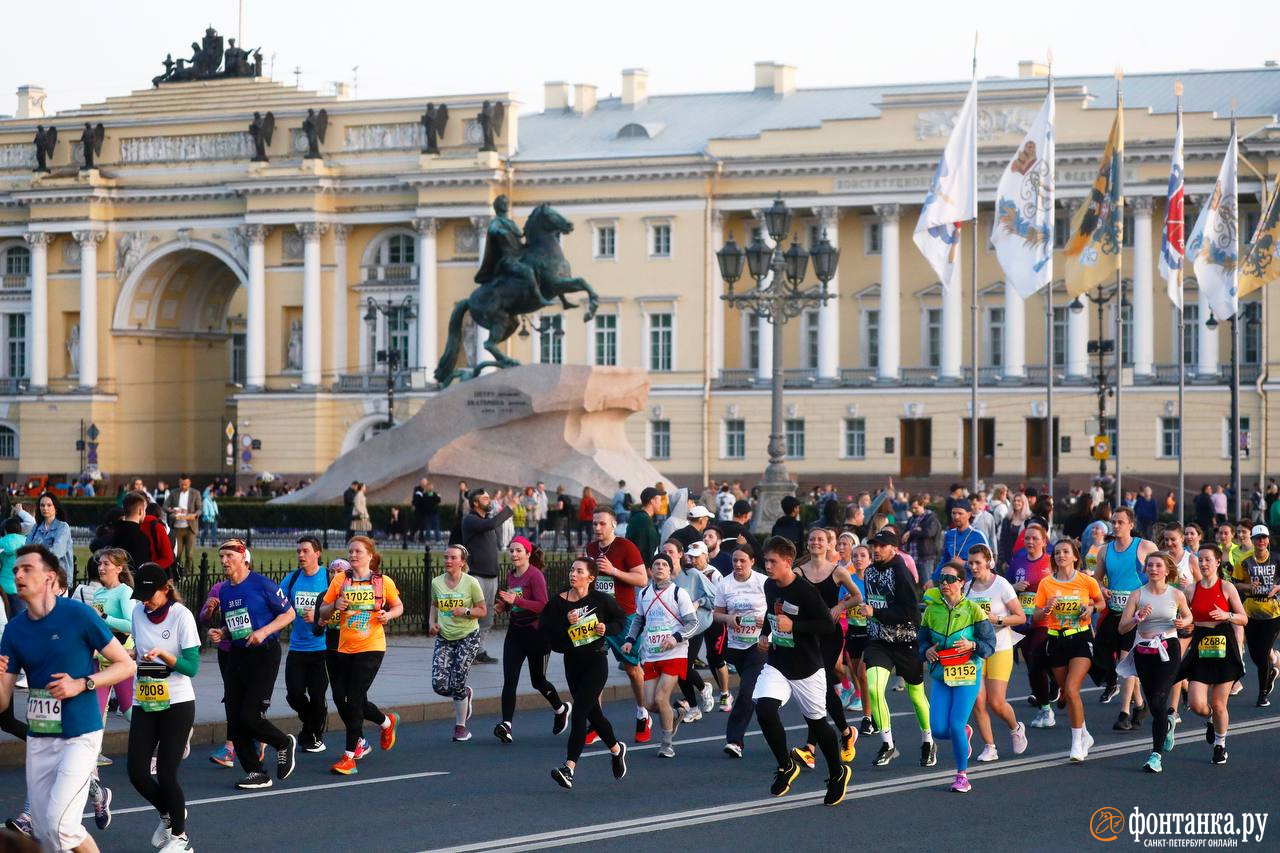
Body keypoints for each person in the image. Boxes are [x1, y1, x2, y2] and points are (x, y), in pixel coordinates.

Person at [0, 544, 135, 853]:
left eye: (27, 569)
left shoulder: (78, 615)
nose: (18, 573)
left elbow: (125, 664)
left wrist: (82, 683)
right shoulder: (15, 630)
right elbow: (2, 704)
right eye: (16, 569)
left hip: (80, 733)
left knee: (60, 825)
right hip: (41, 737)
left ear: (50, 578)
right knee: (46, 830)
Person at [752, 536, 850, 807]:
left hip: (807, 668)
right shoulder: (770, 586)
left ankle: (837, 771)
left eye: (773, 561)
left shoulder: (805, 591)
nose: (767, 566)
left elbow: (826, 626)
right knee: (764, 709)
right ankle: (786, 766)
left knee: (818, 724)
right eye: (766, 560)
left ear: (787, 562)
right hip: (778, 663)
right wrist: (764, 635)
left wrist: (793, 626)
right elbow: (774, 617)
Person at [205, 539, 297, 790]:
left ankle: (282, 743)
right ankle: (256, 773)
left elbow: (289, 614)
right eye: (221, 556)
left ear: (243, 557)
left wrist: (264, 632)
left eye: (229, 556)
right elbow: (234, 624)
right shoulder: (224, 590)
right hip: (237, 654)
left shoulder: (262, 584)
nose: (224, 561)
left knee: (249, 715)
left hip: (264, 654)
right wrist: (222, 633)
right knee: (234, 719)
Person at [539, 556, 629, 789]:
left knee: (579, 714)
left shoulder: (600, 600)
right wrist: (565, 623)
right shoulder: (558, 603)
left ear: (590, 577)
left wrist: (606, 628)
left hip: (596, 662)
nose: (573, 574)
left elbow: (621, 620)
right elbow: (547, 636)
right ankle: (617, 749)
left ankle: (568, 769)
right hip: (573, 664)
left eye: (579, 571)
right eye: (572, 570)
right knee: (594, 715)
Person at [127, 563, 199, 852]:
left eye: (150, 594)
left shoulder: (182, 616)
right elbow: (136, 648)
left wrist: (166, 657)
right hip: (144, 699)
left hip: (177, 702)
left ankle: (181, 838)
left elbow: (192, 667)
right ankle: (170, 813)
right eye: (141, 594)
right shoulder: (136, 612)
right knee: (137, 773)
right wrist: (122, 654)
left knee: (167, 774)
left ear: (166, 589)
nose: (145, 600)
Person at [317, 535, 403, 771]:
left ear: (370, 556)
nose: (353, 555)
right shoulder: (340, 581)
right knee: (348, 700)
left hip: (372, 646)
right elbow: (322, 613)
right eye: (350, 551)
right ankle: (387, 722)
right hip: (345, 647)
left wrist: (388, 615)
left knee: (353, 700)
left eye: (358, 551)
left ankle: (349, 757)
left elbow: (398, 606)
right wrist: (335, 606)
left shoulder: (383, 581)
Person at [919, 563, 996, 792]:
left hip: (967, 673)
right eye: (942, 579)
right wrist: (926, 651)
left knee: (955, 724)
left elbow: (989, 645)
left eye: (950, 579)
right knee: (939, 729)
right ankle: (964, 733)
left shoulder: (973, 610)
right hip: (942, 673)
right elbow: (921, 641)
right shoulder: (931, 610)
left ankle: (962, 775)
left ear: (962, 583)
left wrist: (972, 644)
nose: (944, 583)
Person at [860, 528, 931, 768]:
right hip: (879, 641)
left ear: (894, 549)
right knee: (873, 688)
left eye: (881, 546)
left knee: (916, 695)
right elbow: (874, 603)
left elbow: (910, 613)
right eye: (874, 546)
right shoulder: (869, 572)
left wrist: (876, 612)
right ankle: (888, 744)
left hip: (906, 641)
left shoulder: (900, 571)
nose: (876, 550)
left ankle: (928, 740)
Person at [1118, 552, 1193, 773]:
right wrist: (1136, 618)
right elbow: (1122, 628)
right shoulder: (1137, 595)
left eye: (1158, 565)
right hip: (1143, 650)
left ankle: (1155, 755)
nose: (1153, 569)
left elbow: (1189, 617)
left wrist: (1182, 621)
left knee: (1160, 700)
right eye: (1149, 565)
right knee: (1153, 703)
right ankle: (1168, 722)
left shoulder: (1176, 594)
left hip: (1168, 649)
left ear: (1167, 570)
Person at [791, 528, 859, 770]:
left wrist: (840, 606)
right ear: (808, 545)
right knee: (817, 687)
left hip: (830, 635)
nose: (816, 543)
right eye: (812, 540)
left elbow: (857, 596)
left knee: (820, 684)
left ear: (828, 543)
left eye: (821, 539)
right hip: (808, 636)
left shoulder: (837, 571)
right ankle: (845, 732)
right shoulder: (798, 573)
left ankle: (811, 748)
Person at [493, 536, 569, 743]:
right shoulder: (511, 575)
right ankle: (506, 725)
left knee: (538, 681)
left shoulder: (535, 576)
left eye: (518, 551)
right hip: (516, 632)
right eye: (511, 551)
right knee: (510, 680)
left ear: (528, 554)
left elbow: (543, 606)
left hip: (537, 634)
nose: (514, 554)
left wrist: (514, 600)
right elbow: (515, 604)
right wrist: (504, 606)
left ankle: (560, 709)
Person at [585, 507, 651, 741]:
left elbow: (642, 578)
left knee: (633, 669)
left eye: (602, 524)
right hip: (597, 617)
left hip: (624, 617)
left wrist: (613, 570)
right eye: (594, 524)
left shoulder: (626, 547)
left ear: (613, 525)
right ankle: (596, 722)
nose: (597, 528)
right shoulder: (591, 549)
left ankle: (643, 713)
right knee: (594, 671)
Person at [1036, 539, 1106, 761]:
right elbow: (1036, 617)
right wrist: (1047, 609)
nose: (1061, 555)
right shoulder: (1046, 584)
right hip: (1056, 640)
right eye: (1057, 552)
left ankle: (1076, 744)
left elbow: (1101, 602)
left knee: (1072, 689)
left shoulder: (1086, 581)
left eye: (1066, 552)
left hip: (1080, 638)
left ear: (1075, 556)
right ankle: (1084, 734)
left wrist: (1091, 608)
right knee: (1066, 692)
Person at [623, 553, 697, 757]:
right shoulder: (644, 593)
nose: (660, 567)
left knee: (661, 697)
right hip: (652, 654)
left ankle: (667, 744)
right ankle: (675, 714)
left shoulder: (678, 593)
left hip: (675, 653)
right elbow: (638, 620)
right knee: (648, 703)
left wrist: (676, 637)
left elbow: (693, 623)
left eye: (665, 564)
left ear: (671, 570)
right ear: (650, 569)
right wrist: (629, 641)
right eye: (656, 564)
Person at [964, 544, 1028, 762]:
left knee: (996, 702)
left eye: (977, 563)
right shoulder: (967, 588)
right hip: (976, 650)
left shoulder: (1001, 585)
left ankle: (1015, 727)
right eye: (970, 563)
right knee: (977, 701)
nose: (973, 567)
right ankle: (990, 747)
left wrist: (997, 620)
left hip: (1000, 647)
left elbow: (1020, 617)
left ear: (989, 562)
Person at [1184, 544, 1247, 764]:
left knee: (1220, 704)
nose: (1203, 563)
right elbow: (1186, 618)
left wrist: (1226, 614)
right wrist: (1184, 623)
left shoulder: (1227, 587)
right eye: (1200, 560)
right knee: (1196, 704)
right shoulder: (1191, 590)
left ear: (1218, 562)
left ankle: (1220, 745)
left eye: (1208, 559)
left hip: (1223, 645)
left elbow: (1243, 618)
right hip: (1201, 645)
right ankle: (1210, 718)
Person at [1095, 506, 1157, 729]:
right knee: (1100, 653)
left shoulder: (1145, 547)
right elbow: (1097, 580)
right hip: (1114, 612)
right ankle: (1140, 704)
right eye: (1113, 522)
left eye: (1120, 522)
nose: (1116, 525)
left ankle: (1123, 714)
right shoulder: (1105, 550)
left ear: (1131, 524)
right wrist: (1103, 590)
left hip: (1137, 614)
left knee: (1126, 661)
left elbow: (1160, 573)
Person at [713, 542, 767, 758]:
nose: (737, 564)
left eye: (742, 560)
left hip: (758, 645)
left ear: (752, 562)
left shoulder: (763, 582)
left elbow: (776, 609)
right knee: (758, 697)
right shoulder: (725, 584)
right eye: (735, 560)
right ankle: (772, 727)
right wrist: (729, 619)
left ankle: (734, 741)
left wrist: (766, 622)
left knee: (746, 692)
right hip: (735, 646)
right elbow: (716, 614)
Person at [428, 544, 486, 741]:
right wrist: (432, 623)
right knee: (440, 685)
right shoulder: (437, 582)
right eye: (446, 557)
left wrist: (466, 612)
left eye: (453, 558)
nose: (448, 561)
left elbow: (482, 610)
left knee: (458, 680)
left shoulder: (471, 583)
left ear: (462, 562)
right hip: (445, 637)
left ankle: (460, 727)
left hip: (467, 636)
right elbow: (434, 605)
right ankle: (465, 694)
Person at [280, 536, 332, 753]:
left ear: (317, 553)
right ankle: (313, 722)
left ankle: (312, 734)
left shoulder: (329, 578)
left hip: (322, 648)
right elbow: (278, 604)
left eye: (305, 551)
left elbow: (340, 609)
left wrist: (321, 614)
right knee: (294, 694)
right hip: (297, 648)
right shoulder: (292, 580)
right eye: (299, 551)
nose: (301, 555)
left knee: (318, 696)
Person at [459, 488, 513, 663]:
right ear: (475, 503)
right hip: (476, 576)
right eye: (485, 498)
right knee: (473, 615)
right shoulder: (470, 520)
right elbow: (490, 525)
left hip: (491, 576)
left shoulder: (486, 521)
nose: (488, 501)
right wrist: (509, 508)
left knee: (487, 616)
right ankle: (467, 651)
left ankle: (478, 651)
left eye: (489, 498)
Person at [1231, 524, 1279, 707]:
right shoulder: (1244, 560)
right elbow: (1234, 584)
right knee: (1256, 655)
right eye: (1257, 538)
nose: (1261, 541)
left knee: (1264, 651)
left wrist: (1278, 588)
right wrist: (1250, 586)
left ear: (1268, 540)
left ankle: (1262, 694)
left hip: (1273, 613)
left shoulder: (1276, 559)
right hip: (1250, 612)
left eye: (1264, 538)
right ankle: (1271, 672)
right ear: (1252, 540)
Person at [26, 493, 74, 588]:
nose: (45, 508)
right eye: (42, 505)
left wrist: (35, 555)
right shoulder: (36, 527)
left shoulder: (63, 527)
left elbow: (57, 552)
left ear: (55, 508)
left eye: (49, 505)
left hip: (58, 580)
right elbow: (26, 549)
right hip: (38, 578)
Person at [938, 503, 987, 584]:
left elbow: (989, 563)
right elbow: (945, 560)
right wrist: (933, 579)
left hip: (974, 583)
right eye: (954, 513)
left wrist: (964, 563)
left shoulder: (978, 535)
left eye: (960, 513)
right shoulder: (949, 534)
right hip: (952, 583)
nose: (956, 517)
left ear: (969, 514)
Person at [162, 476, 201, 572]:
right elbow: (165, 506)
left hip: (190, 528)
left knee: (189, 554)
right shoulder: (173, 493)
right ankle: (177, 573)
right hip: (177, 528)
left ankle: (188, 574)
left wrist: (194, 515)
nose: (183, 486)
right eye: (182, 484)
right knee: (177, 554)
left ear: (189, 483)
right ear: (179, 483)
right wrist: (172, 511)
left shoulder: (195, 493)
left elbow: (199, 509)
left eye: (185, 484)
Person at [625, 487, 662, 569]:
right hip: (641, 569)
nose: (661, 504)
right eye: (659, 500)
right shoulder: (644, 520)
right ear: (652, 501)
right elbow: (644, 547)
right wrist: (647, 568)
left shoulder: (642, 517)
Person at [412, 478, 442, 543]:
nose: (431, 488)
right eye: (429, 486)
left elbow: (438, 500)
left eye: (431, 486)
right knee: (428, 527)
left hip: (432, 513)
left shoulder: (432, 494)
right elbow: (422, 502)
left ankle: (436, 540)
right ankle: (429, 540)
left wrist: (438, 497)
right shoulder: (426, 494)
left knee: (435, 527)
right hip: (428, 513)